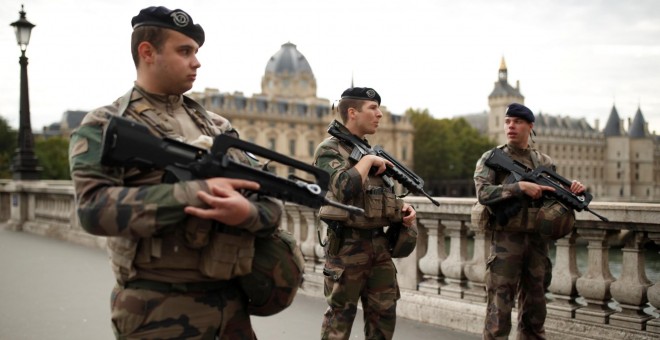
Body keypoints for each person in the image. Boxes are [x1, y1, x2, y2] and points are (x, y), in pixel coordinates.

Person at [68, 6, 282, 339]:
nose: (196, 62)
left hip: (231, 303)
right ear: (147, 52)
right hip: (154, 307)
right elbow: (92, 209)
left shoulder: (218, 127)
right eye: (184, 51)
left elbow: (269, 199)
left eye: (196, 52)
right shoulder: (105, 124)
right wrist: (194, 193)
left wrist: (248, 213)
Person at [474, 103, 585, 339]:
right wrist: (519, 187)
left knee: (535, 311)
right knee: (498, 311)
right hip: (506, 241)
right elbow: (483, 194)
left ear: (530, 126)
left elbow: (558, 198)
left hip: (537, 241)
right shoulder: (492, 158)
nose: (511, 126)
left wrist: (573, 189)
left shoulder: (544, 162)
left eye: (517, 122)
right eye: (507, 122)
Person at [313, 87, 417, 340]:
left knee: (383, 318)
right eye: (373, 108)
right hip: (346, 248)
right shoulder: (329, 150)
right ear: (352, 112)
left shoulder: (367, 149)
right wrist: (369, 161)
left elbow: (377, 196)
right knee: (339, 321)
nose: (380, 114)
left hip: (379, 247)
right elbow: (343, 187)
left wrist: (401, 210)